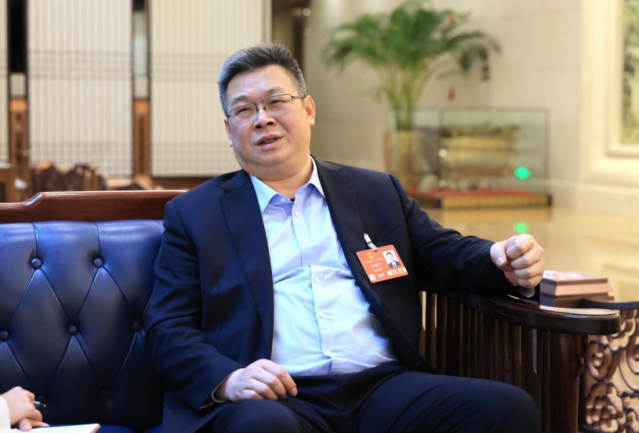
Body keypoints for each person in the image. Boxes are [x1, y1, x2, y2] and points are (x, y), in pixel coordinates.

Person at [146, 43, 545, 433]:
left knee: (507, 409)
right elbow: (168, 325)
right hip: (277, 398)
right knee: (261, 426)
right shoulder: (196, 214)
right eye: (244, 110)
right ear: (229, 131)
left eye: (276, 102)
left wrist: (500, 259)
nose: (262, 119)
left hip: (381, 387)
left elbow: (442, 253)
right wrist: (230, 379)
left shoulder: (375, 192)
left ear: (308, 110)